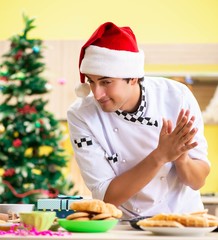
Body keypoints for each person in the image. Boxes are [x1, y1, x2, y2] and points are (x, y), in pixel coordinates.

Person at [67, 22, 210, 219]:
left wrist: (181, 157)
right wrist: (160, 155)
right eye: (91, 81)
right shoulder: (81, 115)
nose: (97, 94)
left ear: (133, 78)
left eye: (106, 82)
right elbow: (107, 197)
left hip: (184, 221)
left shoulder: (177, 97)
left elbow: (197, 181)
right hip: (128, 225)